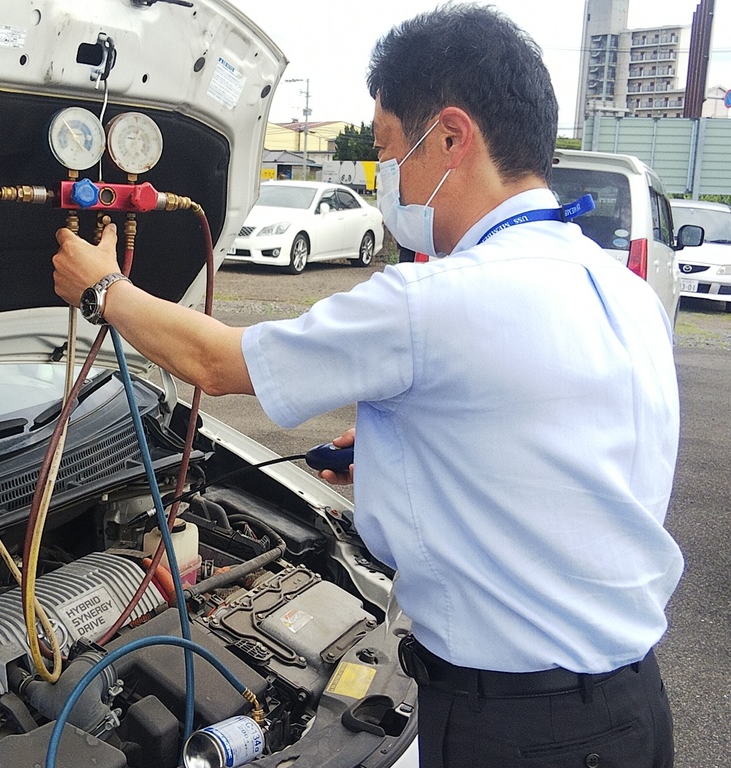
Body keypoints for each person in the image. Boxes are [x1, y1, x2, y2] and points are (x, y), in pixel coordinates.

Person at [52, 6, 682, 766]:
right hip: (632, 709)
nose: (388, 178)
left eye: (390, 150)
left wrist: (105, 291)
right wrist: (405, 447)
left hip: (518, 731)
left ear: (451, 138)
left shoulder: (436, 302)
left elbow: (219, 363)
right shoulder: (615, 287)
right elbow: (555, 441)